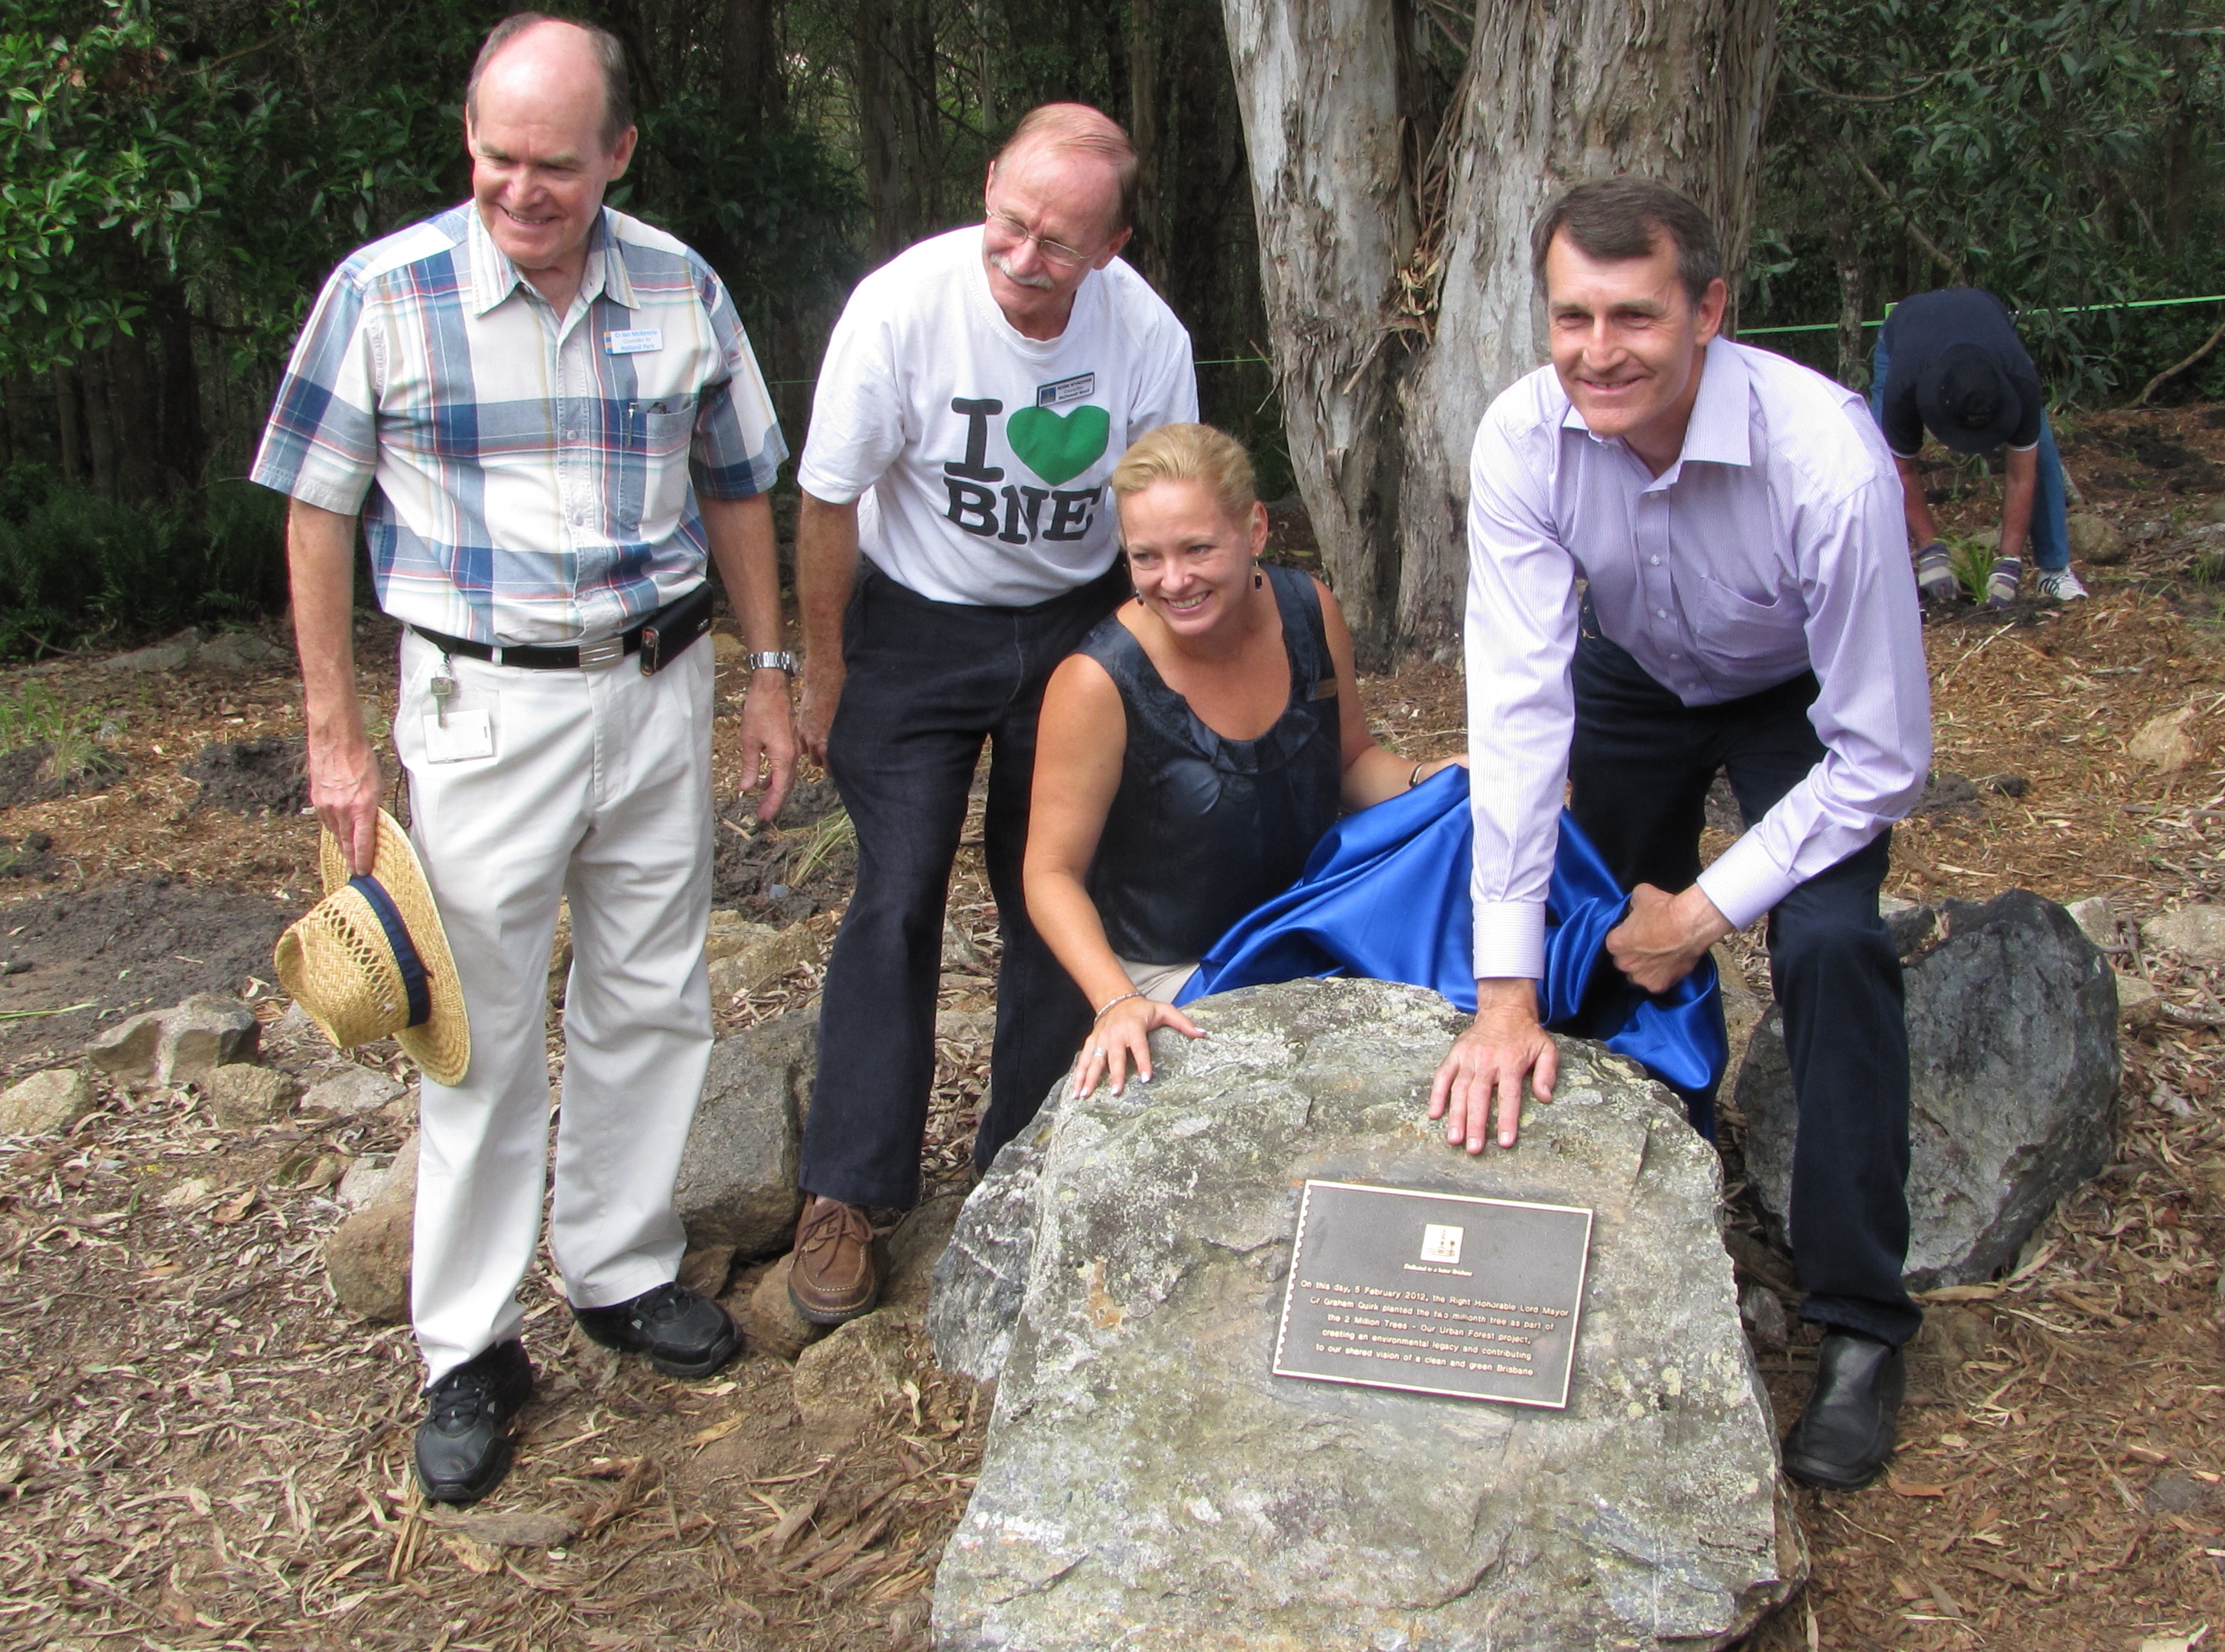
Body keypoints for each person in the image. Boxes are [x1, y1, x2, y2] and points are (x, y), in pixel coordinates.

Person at [253, 13, 797, 1504]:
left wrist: (770, 674)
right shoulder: (387, 293)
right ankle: (469, 1348)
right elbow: (315, 508)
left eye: (554, 163)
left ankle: (618, 1268)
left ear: (618, 152)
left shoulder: (680, 287)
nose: (519, 188)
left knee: (651, 991)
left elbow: (738, 485)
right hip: (478, 708)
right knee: (477, 1032)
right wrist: (335, 735)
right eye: (496, 157)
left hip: (658, 688)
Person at [1429, 177, 1931, 1491]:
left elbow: (1883, 757)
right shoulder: (1522, 438)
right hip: (1633, 675)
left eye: (1635, 317)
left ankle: (1860, 1321)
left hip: (1796, 697)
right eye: (1572, 317)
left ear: (1709, 310)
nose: (1598, 352)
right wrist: (1502, 991)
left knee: (1827, 944)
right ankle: (1618, 1235)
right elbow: (1517, 712)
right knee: (1583, 939)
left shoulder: (1826, 458)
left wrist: (1705, 913)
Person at [786, 105, 1196, 1325]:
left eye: (1059, 243)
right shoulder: (902, 309)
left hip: (1071, 620)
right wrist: (820, 672)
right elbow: (829, 497)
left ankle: (1020, 1159)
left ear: (1112, 246)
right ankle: (848, 1189)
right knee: (899, 885)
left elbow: (1166, 512)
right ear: (986, 190)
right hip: (913, 616)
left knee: (1053, 884)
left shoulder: (1147, 337)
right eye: (1010, 223)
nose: (1024, 257)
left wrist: (1152, 670)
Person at [1023, 424, 1456, 1101]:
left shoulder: (1309, 610)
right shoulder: (1095, 682)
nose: (1174, 581)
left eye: (1197, 548)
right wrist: (1116, 999)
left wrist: (1437, 780)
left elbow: (1351, 764)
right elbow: (1051, 873)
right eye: (1147, 558)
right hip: (1178, 971)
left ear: (1254, 529)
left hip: (1317, 926)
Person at [1872, 288, 2087, 606]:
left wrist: (2010, 563)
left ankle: (2054, 570)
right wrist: (1931, 550)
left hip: (1990, 331)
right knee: (1878, 459)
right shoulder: (1905, 383)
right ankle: (1888, 578)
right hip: (1906, 334)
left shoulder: (2019, 378)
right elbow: (1902, 470)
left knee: (2039, 448)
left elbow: (2021, 475)